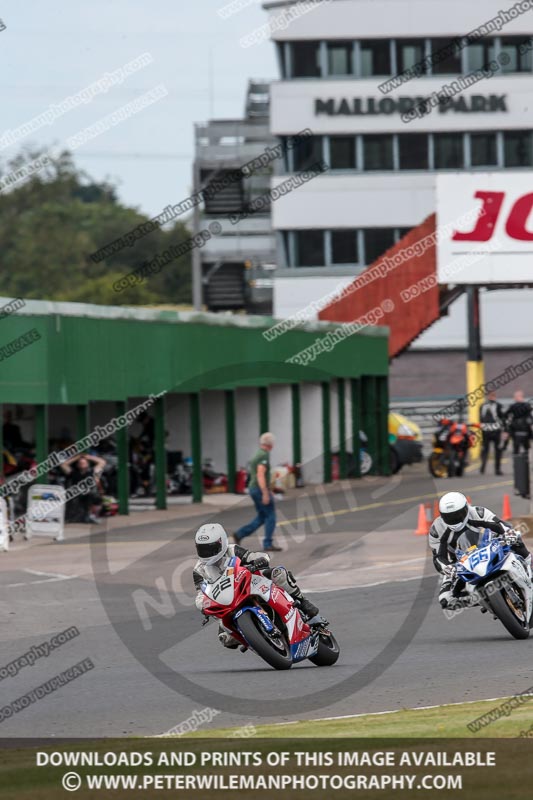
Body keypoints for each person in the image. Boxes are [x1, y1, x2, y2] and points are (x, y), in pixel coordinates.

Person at [193, 523, 320, 648]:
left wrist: (260, 560)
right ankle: (254, 638)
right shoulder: (199, 570)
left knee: (278, 573)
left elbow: (257, 556)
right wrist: (203, 605)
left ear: (222, 542)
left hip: (249, 583)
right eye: (202, 549)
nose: (207, 553)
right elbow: (201, 593)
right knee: (226, 639)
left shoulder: (232, 550)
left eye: (210, 548)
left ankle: (303, 602)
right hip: (227, 602)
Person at [429, 491, 531, 609]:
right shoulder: (436, 530)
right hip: (460, 562)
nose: (455, 520)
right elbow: (438, 558)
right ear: (442, 515)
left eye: (458, 514)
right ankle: (485, 601)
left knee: (515, 538)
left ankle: (529, 562)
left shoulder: (478, 512)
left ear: (466, 508)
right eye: (449, 517)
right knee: (445, 600)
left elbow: (500, 525)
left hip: (489, 545)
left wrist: (509, 533)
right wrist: (447, 567)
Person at [234, 432, 281, 552]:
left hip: (253, 488)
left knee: (262, 516)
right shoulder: (263, 456)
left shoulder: (257, 454)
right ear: (271, 444)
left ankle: (240, 534)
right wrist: (265, 493)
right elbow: (260, 474)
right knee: (271, 515)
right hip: (259, 488)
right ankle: (267, 543)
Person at [60, 453, 106, 523]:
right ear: (78, 465)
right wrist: (77, 457)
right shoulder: (73, 472)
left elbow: (102, 462)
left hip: (90, 494)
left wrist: (89, 457)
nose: (82, 464)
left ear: (87, 464)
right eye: (80, 463)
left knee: (94, 495)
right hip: (76, 494)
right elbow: (63, 465)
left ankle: (92, 516)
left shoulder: (93, 471)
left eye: (84, 463)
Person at [479, 391, 505, 475]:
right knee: (497, 450)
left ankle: (483, 466)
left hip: (486, 431)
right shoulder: (498, 406)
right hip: (495, 431)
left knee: (485, 449)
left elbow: (481, 419)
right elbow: (502, 418)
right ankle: (497, 469)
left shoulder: (482, 406)